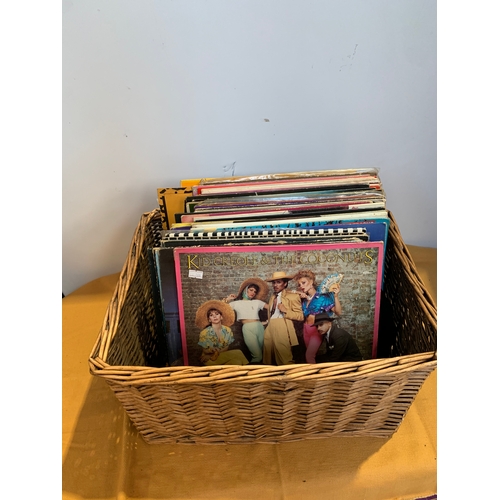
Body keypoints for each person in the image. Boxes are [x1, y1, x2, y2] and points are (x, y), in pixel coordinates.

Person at [293, 269, 342, 364]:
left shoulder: (322, 298)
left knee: (309, 355)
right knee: (310, 356)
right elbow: (290, 293)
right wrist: (302, 296)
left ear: (311, 282)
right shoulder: (304, 299)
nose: (301, 286)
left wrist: (336, 296)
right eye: (299, 285)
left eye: (303, 283)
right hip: (306, 330)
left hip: (316, 330)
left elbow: (338, 312)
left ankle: (314, 377)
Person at [223, 277, 269, 364]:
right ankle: (252, 374)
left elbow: (271, 308)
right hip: (247, 328)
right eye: (251, 290)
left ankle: (261, 375)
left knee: (264, 354)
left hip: (259, 327)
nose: (253, 293)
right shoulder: (236, 303)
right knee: (257, 356)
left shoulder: (257, 302)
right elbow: (221, 309)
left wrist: (268, 321)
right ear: (245, 290)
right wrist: (227, 299)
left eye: (255, 291)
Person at [262, 271, 304, 365]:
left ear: (285, 284)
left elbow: (300, 316)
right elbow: (272, 313)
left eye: (279, 282)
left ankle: (291, 379)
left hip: (282, 326)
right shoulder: (273, 296)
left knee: (285, 358)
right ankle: (272, 379)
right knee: (268, 358)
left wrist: (285, 311)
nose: (275, 285)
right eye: (274, 282)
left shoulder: (293, 296)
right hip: (270, 327)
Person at [195, 300, 249, 366]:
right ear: (209, 319)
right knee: (238, 352)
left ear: (221, 317)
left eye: (217, 314)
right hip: (208, 359)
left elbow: (226, 348)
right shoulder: (205, 332)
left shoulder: (227, 330)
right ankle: (252, 371)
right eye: (211, 315)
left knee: (238, 362)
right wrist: (210, 353)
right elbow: (205, 350)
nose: (214, 317)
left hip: (221, 356)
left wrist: (216, 353)